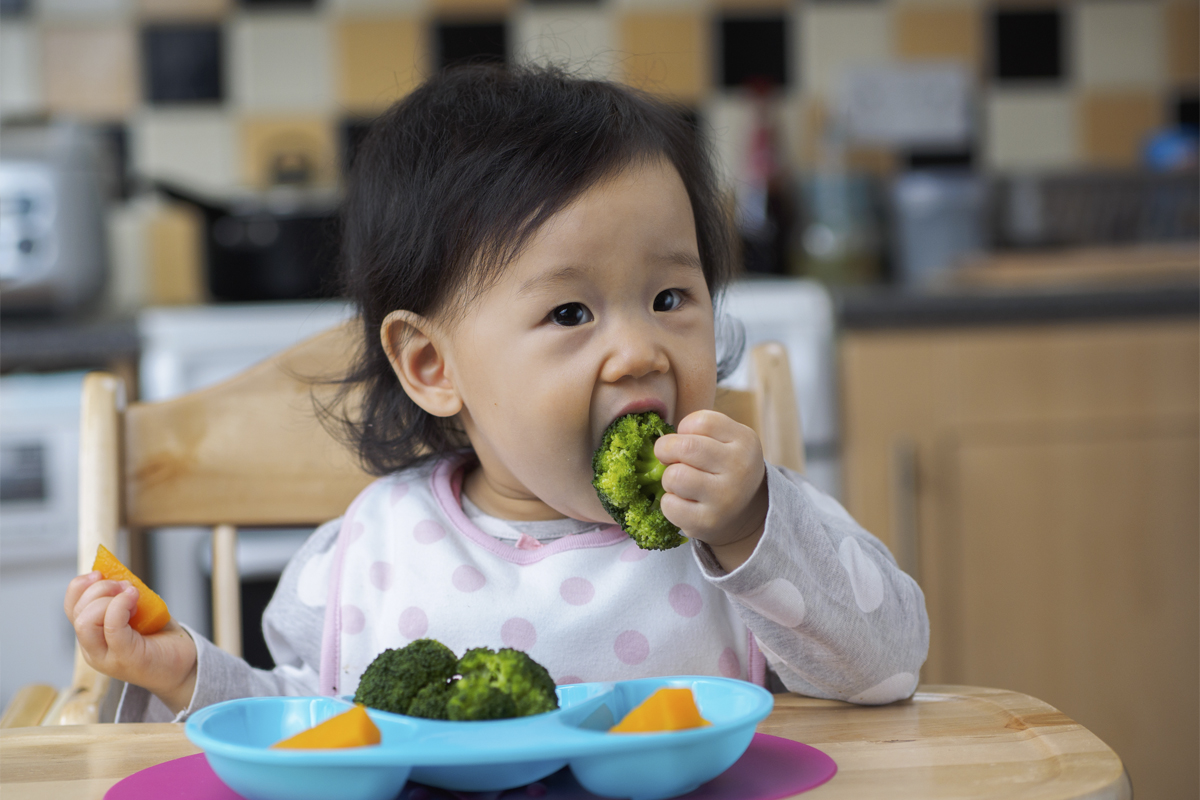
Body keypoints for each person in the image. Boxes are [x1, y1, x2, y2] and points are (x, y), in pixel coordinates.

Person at [64, 65, 928, 723]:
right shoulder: (368, 553)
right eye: (568, 311)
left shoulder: (741, 534)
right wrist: (186, 676)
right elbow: (307, 722)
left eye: (670, 298)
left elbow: (888, 668)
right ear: (432, 366)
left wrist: (752, 528)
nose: (638, 352)